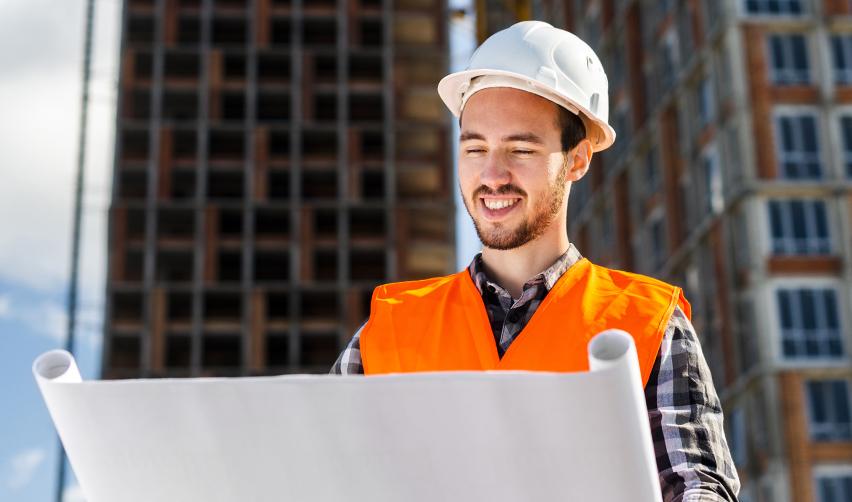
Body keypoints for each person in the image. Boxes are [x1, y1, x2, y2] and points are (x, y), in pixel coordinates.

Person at [331, 21, 740, 501]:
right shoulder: (390, 332)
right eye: (475, 148)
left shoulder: (646, 326)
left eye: (520, 150)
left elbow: (698, 488)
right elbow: (320, 474)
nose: (492, 175)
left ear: (578, 160)